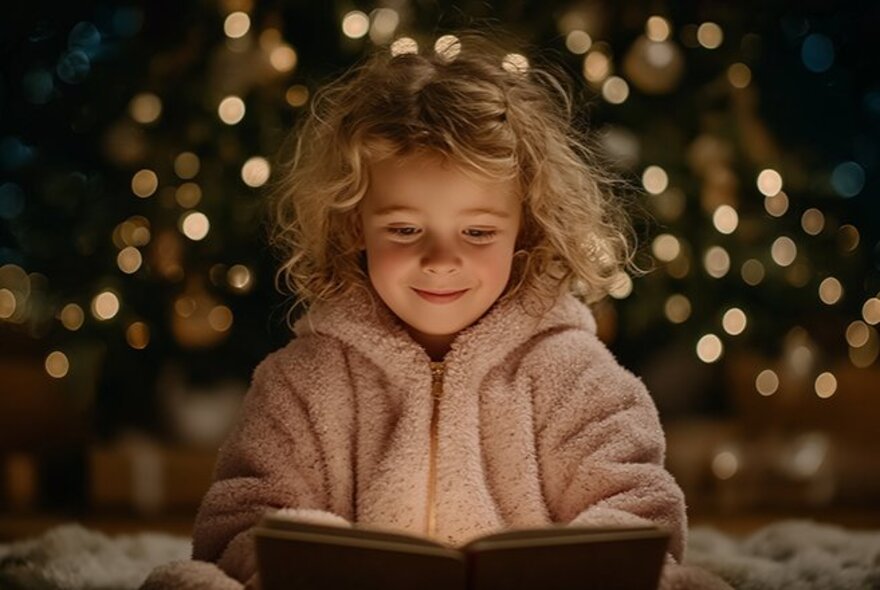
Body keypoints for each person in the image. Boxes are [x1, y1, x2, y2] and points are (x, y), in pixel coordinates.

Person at [143, 30, 731, 590]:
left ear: (524, 231)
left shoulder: (577, 375)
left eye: (477, 231)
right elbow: (236, 523)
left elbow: (639, 513)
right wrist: (326, 559)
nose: (441, 260)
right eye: (404, 228)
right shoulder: (300, 382)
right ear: (355, 228)